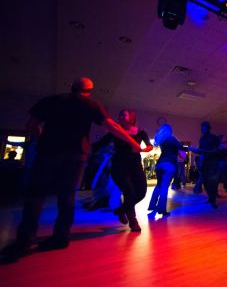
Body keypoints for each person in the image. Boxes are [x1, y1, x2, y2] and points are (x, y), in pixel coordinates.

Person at [0, 77, 141, 262]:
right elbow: (112, 126)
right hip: (76, 154)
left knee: (36, 194)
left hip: (48, 151)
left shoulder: (53, 100)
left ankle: (25, 239)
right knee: (66, 195)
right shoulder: (92, 104)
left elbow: (31, 125)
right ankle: (61, 237)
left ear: (72, 87)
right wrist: (132, 142)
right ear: (89, 90)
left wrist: (41, 136)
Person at [97, 109, 153, 231]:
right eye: (120, 114)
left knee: (141, 192)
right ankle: (133, 221)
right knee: (130, 192)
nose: (120, 115)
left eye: (124, 114)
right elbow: (99, 144)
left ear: (131, 117)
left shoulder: (141, 132)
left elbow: (149, 145)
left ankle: (122, 209)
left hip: (136, 165)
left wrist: (143, 150)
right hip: (119, 165)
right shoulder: (115, 132)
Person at [148, 124, 187, 215]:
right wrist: (191, 148)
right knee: (164, 186)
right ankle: (162, 209)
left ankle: (152, 206)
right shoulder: (171, 138)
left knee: (159, 185)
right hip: (169, 165)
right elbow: (181, 147)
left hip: (160, 164)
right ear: (170, 130)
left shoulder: (162, 140)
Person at [188, 121, 221, 209]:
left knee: (212, 183)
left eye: (204, 127)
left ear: (208, 128)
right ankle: (211, 198)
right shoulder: (202, 139)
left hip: (213, 163)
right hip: (205, 163)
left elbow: (216, 150)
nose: (202, 129)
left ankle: (213, 200)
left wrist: (204, 151)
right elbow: (200, 151)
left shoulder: (214, 138)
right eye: (201, 127)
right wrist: (193, 150)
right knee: (205, 182)